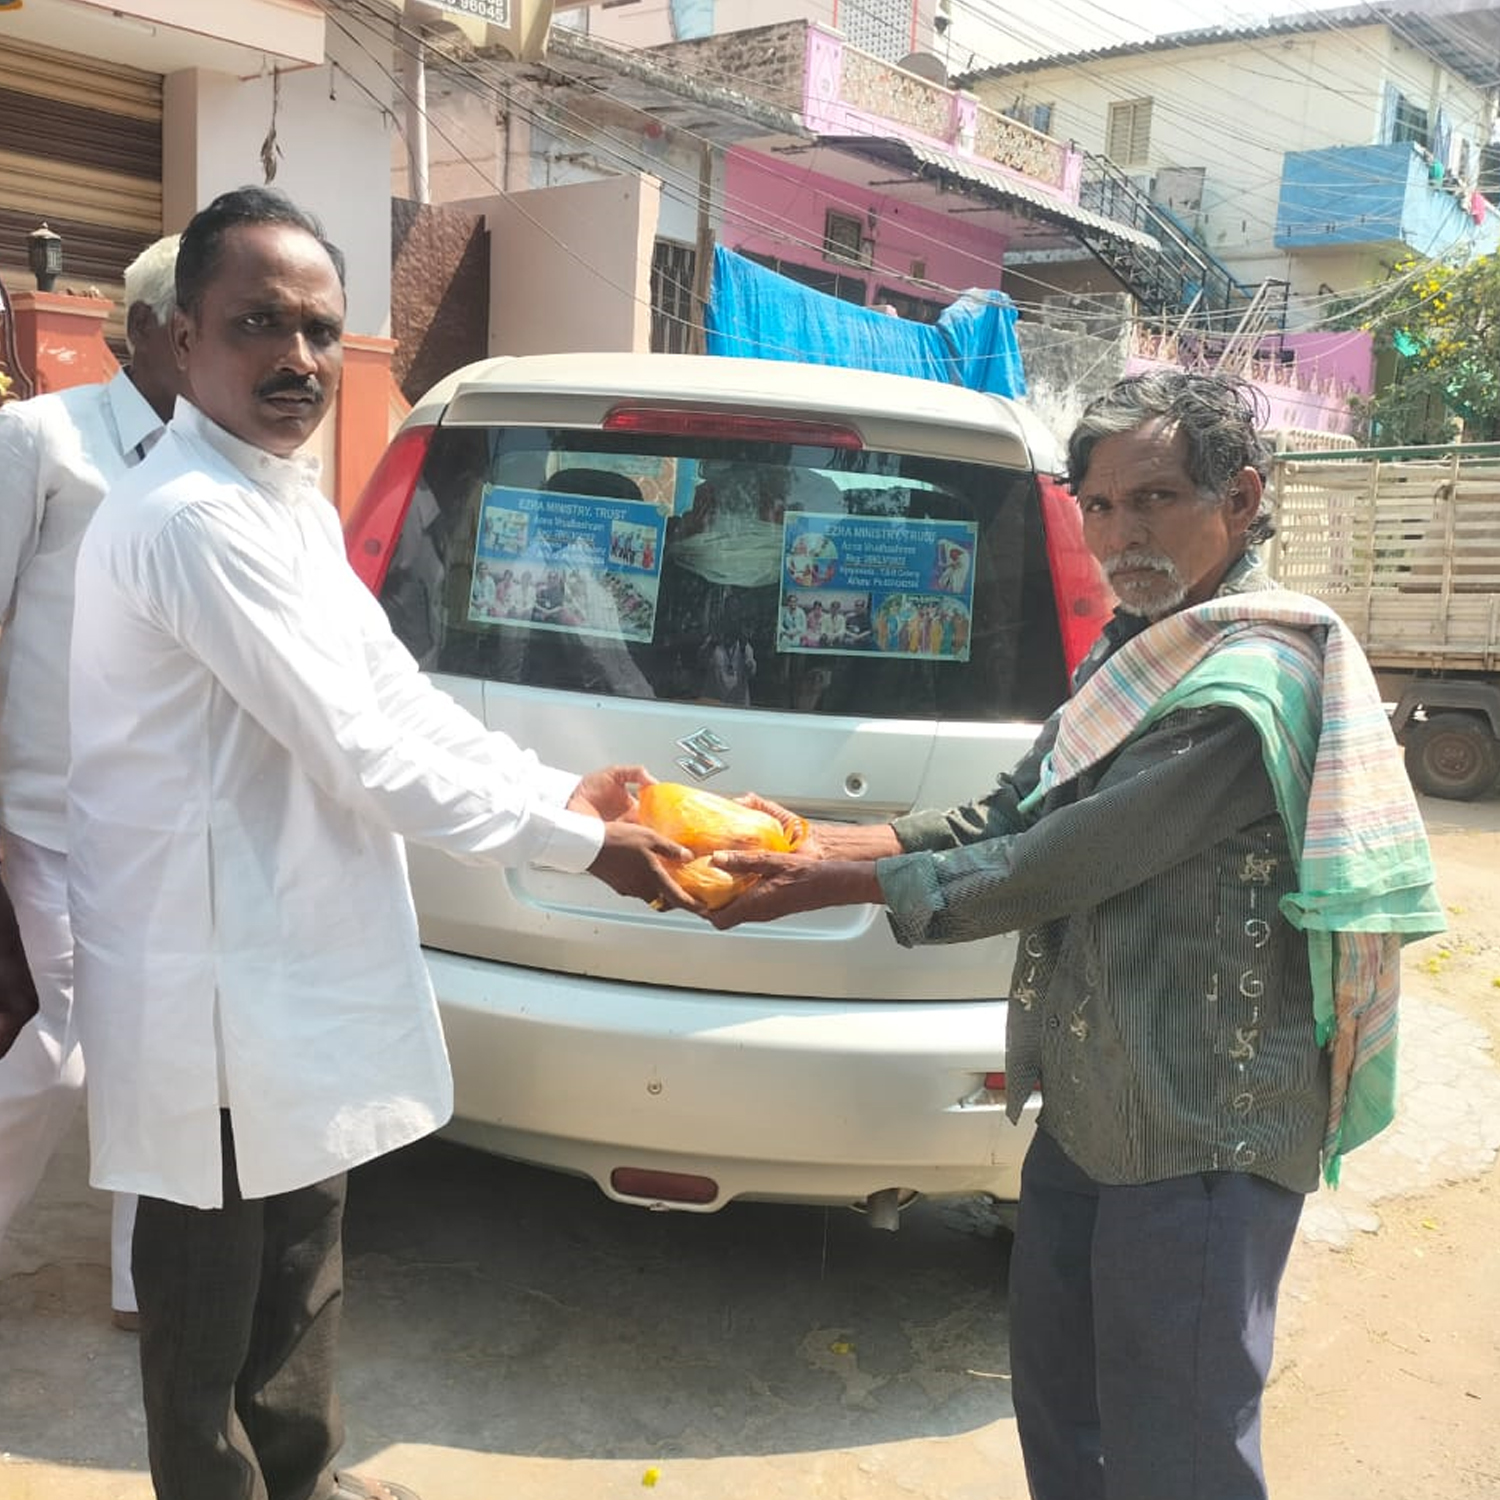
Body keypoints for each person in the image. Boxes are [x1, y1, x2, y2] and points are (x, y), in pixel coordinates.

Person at [704, 370, 1444, 1500]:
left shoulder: (1246, 682)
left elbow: (1053, 862)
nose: (1119, 534)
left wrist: (824, 886)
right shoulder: (1138, 647)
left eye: (1152, 499)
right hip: (1094, 1103)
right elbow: (1014, 808)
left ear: (1242, 499)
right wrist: (815, 838)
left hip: (1203, 1130)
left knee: (1175, 1452)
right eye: (1097, 505)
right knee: (1064, 1415)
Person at [65, 186, 696, 1500]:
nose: (296, 358)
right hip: (209, 990)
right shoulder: (191, 519)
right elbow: (362, 748)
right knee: (209, 1315)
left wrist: (565, 798)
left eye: (318, 329)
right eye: (258, 324)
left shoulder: (280, 503)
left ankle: (304, 1484)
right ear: (182, 339)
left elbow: (395, 696)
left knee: (301, 1271)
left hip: (286, 966)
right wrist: (576, 848)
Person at [0, 233, 184, 1332]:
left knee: (155, 1051)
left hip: (175, 822)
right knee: (57, 1051)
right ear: (153, 329)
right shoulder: (42, 439)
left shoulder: (226, 464)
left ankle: (139, 1283)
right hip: (50, 814)